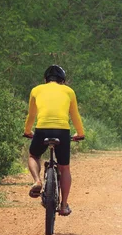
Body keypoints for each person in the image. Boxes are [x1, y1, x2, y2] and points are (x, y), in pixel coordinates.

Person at [23, 65, 85, 216]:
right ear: (62, 81)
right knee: (64, 168)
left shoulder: (36, 90)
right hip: (62, 130)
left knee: (33, 155)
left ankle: (37, 181)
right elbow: (74, 115)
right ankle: (63, 206)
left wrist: (27, 131)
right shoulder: (69, 91)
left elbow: (31, 115)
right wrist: (80, 133)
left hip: (42, 128)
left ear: (45, 80)